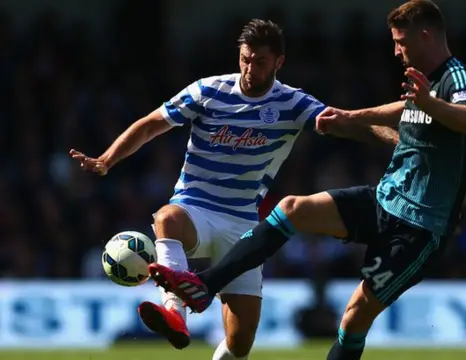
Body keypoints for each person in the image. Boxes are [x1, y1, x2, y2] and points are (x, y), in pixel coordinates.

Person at [149, 1, 466, 359]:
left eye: (401, 41)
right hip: (385, 199)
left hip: (421, 227)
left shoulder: (457, 76)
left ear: (426, 35)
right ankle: (204, 286)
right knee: (292, 208)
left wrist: (430, 104)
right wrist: (353, 116)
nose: (396, 50)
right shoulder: (424, 82)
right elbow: (405, 109)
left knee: (355, 317)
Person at [69, 19, 396, 358]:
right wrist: (107, 159)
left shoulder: (292, 103)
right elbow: (151, 124)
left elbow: (345, 124)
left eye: (260, 62)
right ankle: (174, 314)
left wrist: (398, 142)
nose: (250, 68)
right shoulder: (208, 90)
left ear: (279, 62)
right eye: (245, 58)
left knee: (240, 343)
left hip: (242, 223)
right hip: (195, 206)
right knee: (167, 217)